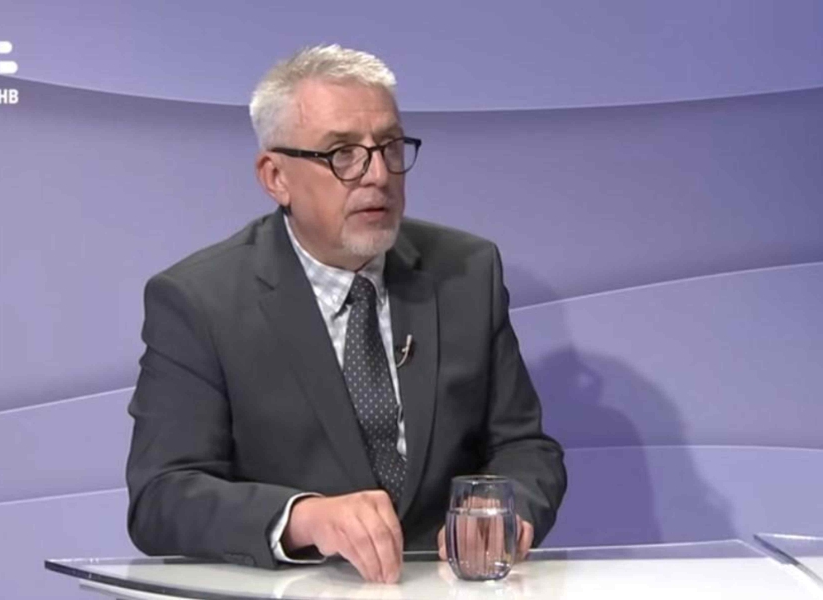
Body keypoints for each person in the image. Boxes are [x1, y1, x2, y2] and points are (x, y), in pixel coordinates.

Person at [125, 44, 566, 584]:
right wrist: (303, 518)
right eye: (343, 153)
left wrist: (507, 510)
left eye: (390, 147)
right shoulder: (200, 300)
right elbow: (162, 496)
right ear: (276, 176)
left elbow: (523, 447)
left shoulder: (467, 273)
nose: (378, 174)